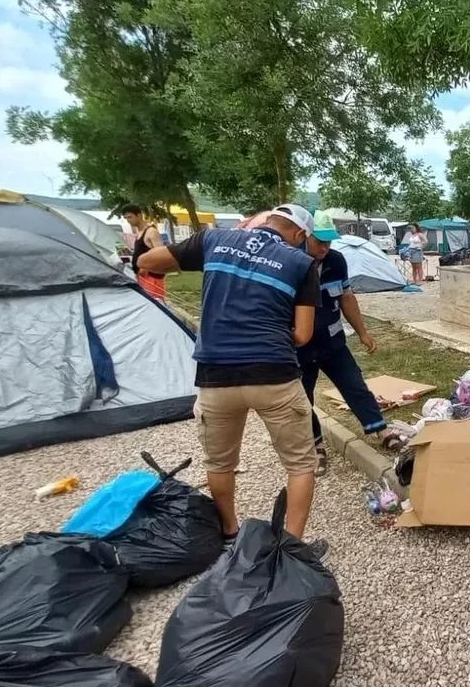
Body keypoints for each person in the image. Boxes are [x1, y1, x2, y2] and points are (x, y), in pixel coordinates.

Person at [137, 203, 328, 560]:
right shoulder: (301, 264)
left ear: (267, 222)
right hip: (274, 375)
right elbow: (302, 334)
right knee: (301, 463)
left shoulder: (214, 239)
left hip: (216, 376)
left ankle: (229, 530)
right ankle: (291, 548)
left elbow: (149, 262)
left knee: (221, 462)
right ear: (301, 235)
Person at [297, 211, 407, 476]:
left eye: (329, 242)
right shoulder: (291, 263)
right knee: (300, 400)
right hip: (298, 347)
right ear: (304, 236)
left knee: (354, 384)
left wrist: (363, 333)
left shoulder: (336, 261)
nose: (325, 247)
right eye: (319, 241)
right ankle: (315, 446)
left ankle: (381, 430)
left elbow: (346, 298)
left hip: (332, 342)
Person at [120, 204, 166, 300]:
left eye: (130, 217)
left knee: (156, 306)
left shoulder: (151, 232)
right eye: (126, 218)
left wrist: (146, 268)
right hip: (141, 278)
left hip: (152, 278)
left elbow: (162, 255)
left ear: (139, 215)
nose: (128, 220)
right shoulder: (138, 234)